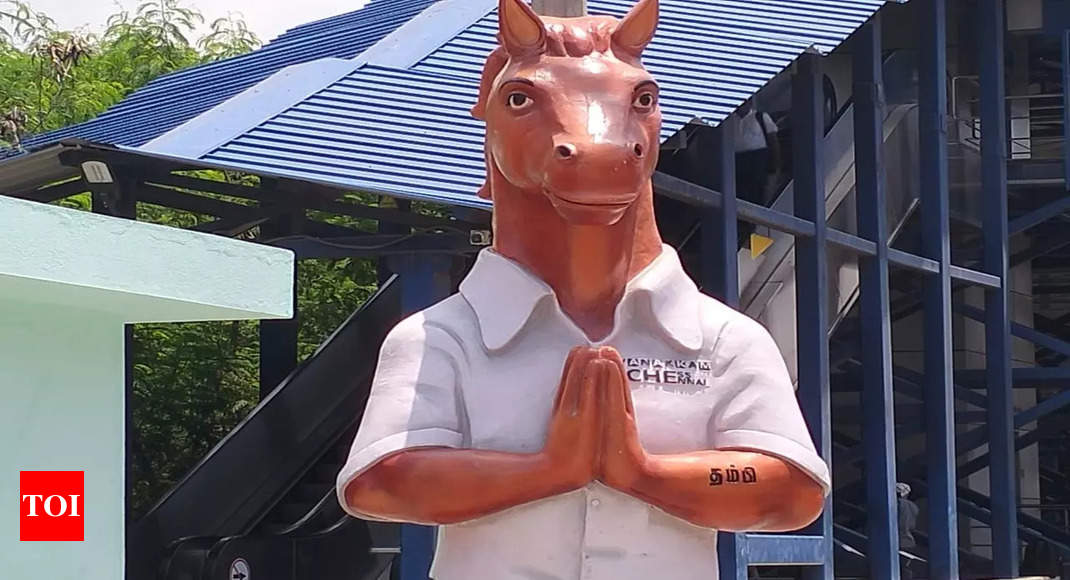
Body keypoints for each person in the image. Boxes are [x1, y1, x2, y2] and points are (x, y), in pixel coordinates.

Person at [337, 1, 830, 578]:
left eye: (640, 101)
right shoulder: (440, 338)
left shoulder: (724, 340)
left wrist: (641, 472)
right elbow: (381, 481)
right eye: (521, 99)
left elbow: (792, 489)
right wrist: (549, 471)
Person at [897, 482, 920, 580]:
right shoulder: (914, 507)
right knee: (906, 567)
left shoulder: (895, 504)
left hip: (895, 541)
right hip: (909, 542)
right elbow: (912, 526)